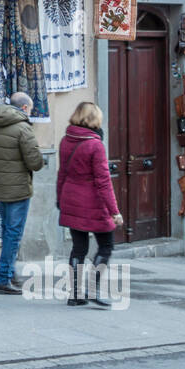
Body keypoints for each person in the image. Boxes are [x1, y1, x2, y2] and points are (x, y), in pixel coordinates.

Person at [55, 101, 123, 307]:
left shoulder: (66, 140)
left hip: (71, 198)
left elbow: (62, 174)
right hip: (93, 203)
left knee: (78, 248)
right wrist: (115, 212)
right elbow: (103, 182)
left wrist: (60, 199)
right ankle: (93, 290)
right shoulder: (95, 145)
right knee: (106, 246)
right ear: (94, 119)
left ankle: (74, 295)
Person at [0, 92, 45, 295]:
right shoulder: (23, 129)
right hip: (18, 189)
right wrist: (41, 159)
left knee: (7, 229)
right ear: (25, 108)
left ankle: (9, 272)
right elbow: (35, 163)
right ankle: (3, 278)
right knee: (14, 232)